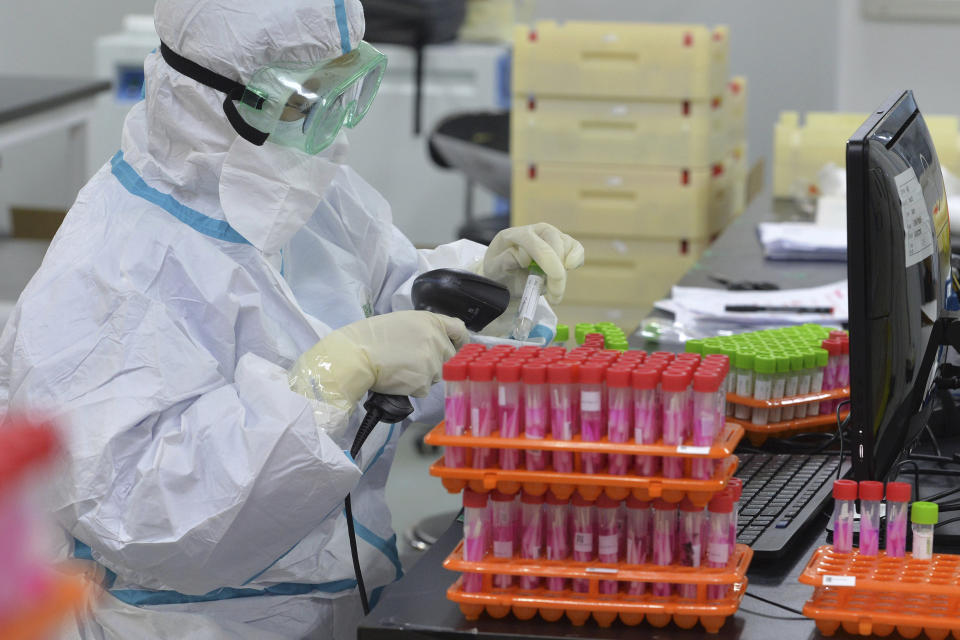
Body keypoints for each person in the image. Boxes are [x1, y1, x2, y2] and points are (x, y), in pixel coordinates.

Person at [0, 0, 583, 638]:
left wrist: (479, 295)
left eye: (347, 86)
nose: (329, 127)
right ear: (212, 95)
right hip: (192, 621)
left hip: (348, 586)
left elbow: (380, 299)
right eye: (306, 99)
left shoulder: (299, 182)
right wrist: (325, 383)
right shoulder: (107, 268)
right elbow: (140, 516)